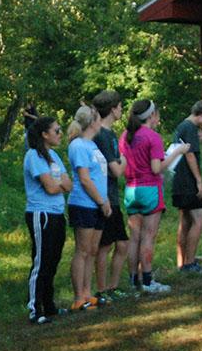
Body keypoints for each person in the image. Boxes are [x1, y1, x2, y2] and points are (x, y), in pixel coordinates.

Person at [119, 100, 189, 293]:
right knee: (148, 236)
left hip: (131, 189)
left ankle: (134, 280)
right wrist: (177, 153)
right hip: (150, 188)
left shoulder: (125, 136)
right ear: (151, 116)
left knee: (134, 237)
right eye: (157, 115)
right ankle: (148, 280)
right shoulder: (153, 137)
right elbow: (156, 167)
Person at [23, 116, 72, 324]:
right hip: (40, 214)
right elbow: (51, 188)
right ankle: (36, 308)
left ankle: (49, 305)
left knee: (53, 260)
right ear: (44, 134)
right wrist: (57, 182)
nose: (60, 134)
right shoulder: (33, 156)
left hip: (57, 213)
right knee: (41, 261)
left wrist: (57, 182)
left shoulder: (53, 156)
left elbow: (68, 185)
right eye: (56, 131)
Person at [66, 105, 110, 311]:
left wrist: (105, 200)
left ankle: (87, 292)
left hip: (98, 203)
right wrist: (101, 201)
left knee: (92, 250)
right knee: (82, 250)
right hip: (84, 203)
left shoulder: (92, 146)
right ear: (92, 122)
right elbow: (84, 179)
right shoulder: (78, 146)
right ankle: (78, 297)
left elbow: (98, 176)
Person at [92, 91, 129, 300]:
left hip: (113, 196)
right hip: (104, 197)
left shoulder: (111, 134)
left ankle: (112, 287)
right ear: (113, 108)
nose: (121, 110)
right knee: (105, 245)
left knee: (122, 243)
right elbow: (116, 170)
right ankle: (102, 289)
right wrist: (124, 158)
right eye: (120, 106)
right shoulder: (103, 135)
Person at [172, 100, 202, 272]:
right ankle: (190, 263)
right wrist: (199, 180)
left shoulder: (183, 127)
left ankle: (181, 262)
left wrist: (199, 139)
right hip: (188, 182)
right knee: (198, 219)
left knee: (185, 221)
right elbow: (190, 155)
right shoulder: (190, 127)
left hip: (178, 181)